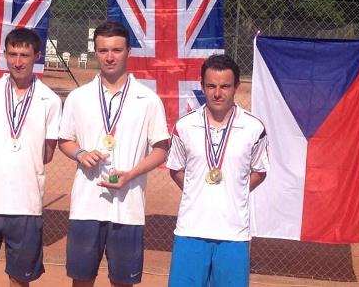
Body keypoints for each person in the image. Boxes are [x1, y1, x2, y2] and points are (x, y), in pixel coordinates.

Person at [58, 21, 170, 287]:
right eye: (103, 50)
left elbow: (161, 149)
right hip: (86, 206)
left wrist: (131, 174)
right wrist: (81, 154)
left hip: (128, 207)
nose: (109, 57)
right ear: (95, 51)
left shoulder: (148, 99)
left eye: (116, 50)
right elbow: (64, 140)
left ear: (128, 51)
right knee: (82, 280)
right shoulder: (78, 97)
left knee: (122, 282)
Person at [0, 28, 62, 287]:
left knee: (19, 280)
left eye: (25, 55)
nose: (18, 62)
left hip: (25, 205)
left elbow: (47, 153)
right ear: (5, 55)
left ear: (36, 56)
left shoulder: (50, 100)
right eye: (13, 54)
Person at [166, 54, 269, 287]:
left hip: (233, 234)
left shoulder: (254, 127)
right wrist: (197, 189)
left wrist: (234, 190)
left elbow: (260, 171)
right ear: (202, 86)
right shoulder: (185, 126)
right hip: (191, 232)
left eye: (225, 86)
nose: (217, 93)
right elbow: (175, 168)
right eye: (211, 86)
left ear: (236, 87)